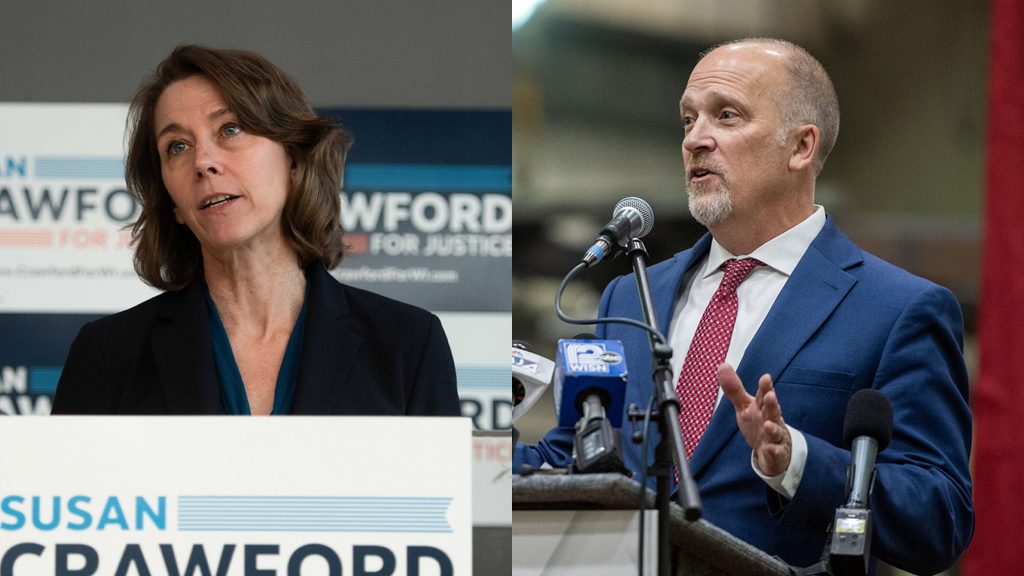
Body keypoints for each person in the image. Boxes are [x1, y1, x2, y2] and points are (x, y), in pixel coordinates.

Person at [514, 38, 973, 573]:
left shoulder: (899, 309)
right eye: (688, 120)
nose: (696, 140)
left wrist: (794, 460)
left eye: (726, 116)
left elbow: (938, 515)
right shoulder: (632, 294)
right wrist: (479, 453)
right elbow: (576, 452)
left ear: (801, 148)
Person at [52, 45, 460, 416]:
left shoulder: (409, 344)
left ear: (294, 159)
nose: (203, 162)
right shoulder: (107, 355)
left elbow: (444, 498)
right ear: (171, 202)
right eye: (177, 146)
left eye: (230, 129)